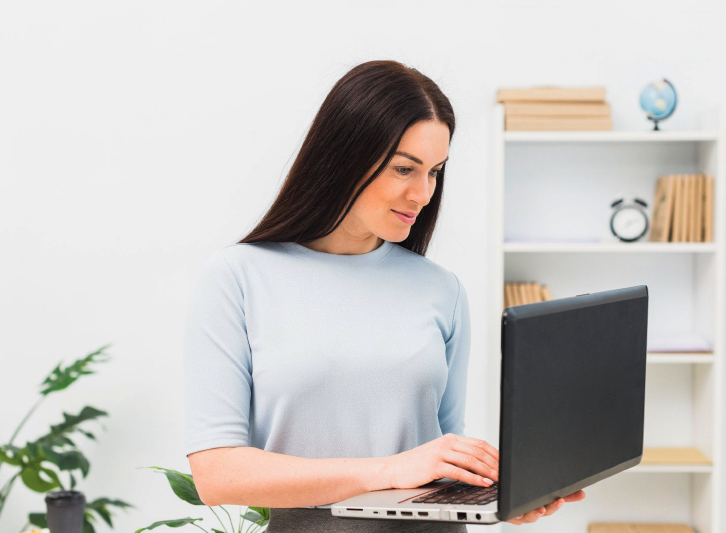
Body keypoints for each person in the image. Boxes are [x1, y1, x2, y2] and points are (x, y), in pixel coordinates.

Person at [183, 59, 585, 532]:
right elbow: (216, 474)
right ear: (345, 156)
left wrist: (499, 495)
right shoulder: (239, 277)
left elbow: (440, 455)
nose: (423, 194)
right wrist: (387, 470)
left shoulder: (442, 289)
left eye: (435, 172)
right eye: (404, 169)